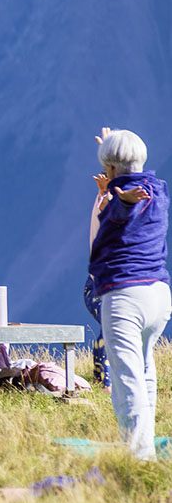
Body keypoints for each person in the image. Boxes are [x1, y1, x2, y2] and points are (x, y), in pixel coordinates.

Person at [89, 127, 170, 459]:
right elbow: (133, 191)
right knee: (145, 369)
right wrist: (114, 158)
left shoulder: (124, 197)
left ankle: (137, 459)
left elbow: (125, 208)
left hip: (124, 295)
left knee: (126, 379)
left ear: (109, 170)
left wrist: (116, 196)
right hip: (159, 296)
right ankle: (146, 447)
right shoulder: (160, 192)